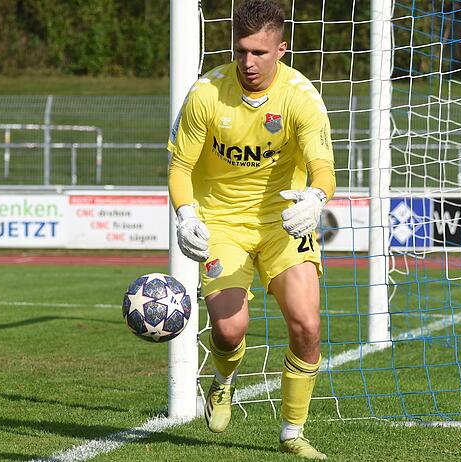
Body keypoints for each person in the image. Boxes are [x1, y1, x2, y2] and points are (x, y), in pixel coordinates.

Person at [167, 0, 335, 459]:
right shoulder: (205, 94)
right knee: (229, 330)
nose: (248, 62)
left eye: (260, 52)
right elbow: (180, 166)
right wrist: (186, 214)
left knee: (306, 323)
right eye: (241, 50)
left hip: (284, 221)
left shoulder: (301, 97)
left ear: (281, 48)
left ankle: (292, 433)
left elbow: (324, 170)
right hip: (222, 223)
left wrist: (317, 199)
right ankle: (221, 384)